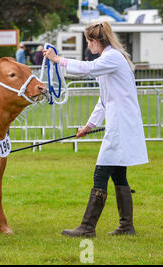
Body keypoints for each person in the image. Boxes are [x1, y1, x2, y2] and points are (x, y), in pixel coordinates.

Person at [43, 21, 148, 237]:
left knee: (101, 172)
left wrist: (57, 60)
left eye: (88, 41)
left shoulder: (112, 57)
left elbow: (85, 69)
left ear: (95, 41)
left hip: (121, 124)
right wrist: (88, 126)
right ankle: (126, 226)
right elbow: (103, 100)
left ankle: (87, 227)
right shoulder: (109, 59)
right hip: (119, 121)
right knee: (119, 174)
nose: (88, 46)